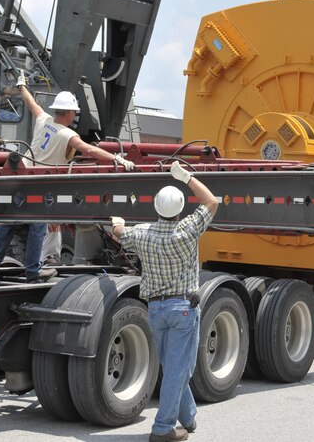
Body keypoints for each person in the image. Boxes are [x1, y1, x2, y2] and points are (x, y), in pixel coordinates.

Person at [0, 74, 136, 283]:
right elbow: (89, 149)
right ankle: (33, 272)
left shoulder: (44, 120)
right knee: (38, 225)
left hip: (20, 180)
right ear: (70, 112)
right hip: (39, 184)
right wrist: (116, 158)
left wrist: (22, 85)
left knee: (8, 222)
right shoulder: (67, 135)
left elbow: (31, 103)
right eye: (74, 112)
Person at [111, 161, 218, 442]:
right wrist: (186, 177)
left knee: (173, 366)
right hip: (183, 309)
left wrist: (117, 222)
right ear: (180, 209)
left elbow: (120, 233)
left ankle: (188, 417)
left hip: (156, 310)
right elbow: (211, 201)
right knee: (179, 368)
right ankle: (162, 429)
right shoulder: (187, 231)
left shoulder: (143, 234)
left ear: (156, 207)